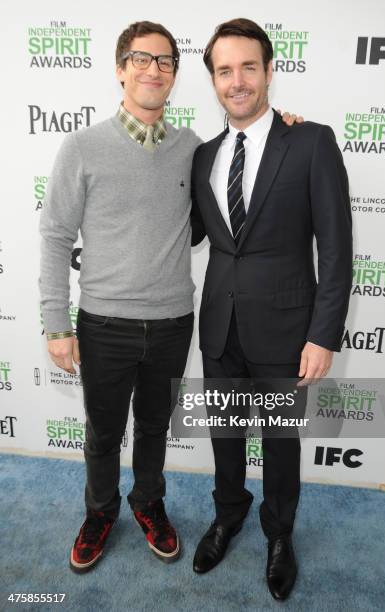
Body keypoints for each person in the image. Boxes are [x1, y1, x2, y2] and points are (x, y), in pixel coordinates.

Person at [39, 20, 300, 574]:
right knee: (104, 431)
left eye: (164, 61)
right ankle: (100, 512)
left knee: (155, 427)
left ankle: (148, 504)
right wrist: (55, 324)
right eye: (140, 58)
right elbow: (56, 236)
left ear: (175, 77)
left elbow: (248, 168)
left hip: (174, 321)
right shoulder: (82, 148)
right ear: (119, 68)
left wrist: (288, 131)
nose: (152, 69)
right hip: (103, 322)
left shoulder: (194, 151)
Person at [190, 18, 353, 601]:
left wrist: (324, 335)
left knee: (282, 445)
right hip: (219, 326)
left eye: (248, 67)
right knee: (225, 435)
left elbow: (335, 247)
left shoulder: (309, 141)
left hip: (288, 330)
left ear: (268, 71)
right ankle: (228, 514)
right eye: (225, 70)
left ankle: (280, 534)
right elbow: (183, 233)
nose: (237, 81)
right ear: (212, 80)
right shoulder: (201, 155)